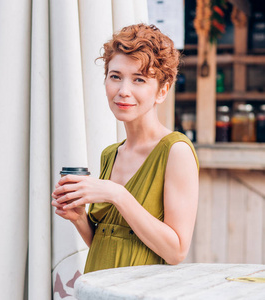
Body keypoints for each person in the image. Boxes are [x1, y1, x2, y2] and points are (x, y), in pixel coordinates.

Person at [51, 24, 199, 274]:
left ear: (162, 91)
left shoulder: (176, 151)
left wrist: (116, 194)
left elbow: (176, 252)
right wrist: (79, 218)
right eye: (115, 76)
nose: (123, 91)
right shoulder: (111, 154)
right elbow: (108, 242)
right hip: (97, 287)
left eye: (139, 79)